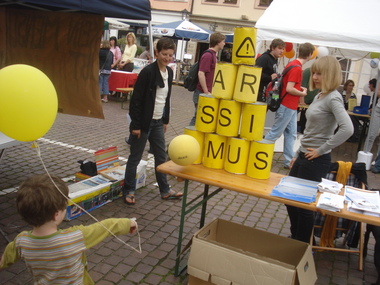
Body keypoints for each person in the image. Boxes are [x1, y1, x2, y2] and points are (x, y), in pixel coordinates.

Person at [0, 174, 137, 284]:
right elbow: (104, 227)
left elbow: (4, 260)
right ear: (56, 214)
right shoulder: (74, 236)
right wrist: (128, 223)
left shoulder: (21, 241)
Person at [286, 56, 353, 243]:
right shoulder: (319, 95)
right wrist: (298, 153)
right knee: (289, 199)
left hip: (315, 159)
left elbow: (348, 128)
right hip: (305, 155)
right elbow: (311, 130)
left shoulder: (333, 98)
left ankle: (302, 244)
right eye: (314, 72)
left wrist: (322, 149)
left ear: (330, 74)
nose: (315, 76)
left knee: (303, 206)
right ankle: (299, 238)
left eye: (320, 73)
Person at [122, 37, 183, 205]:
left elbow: (166, 98)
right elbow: (136, 100)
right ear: (157, 53)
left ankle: (164, 190)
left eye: (170, 55)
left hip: (157, 122)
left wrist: (165, 120)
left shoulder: (169, 72)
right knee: (135, 158)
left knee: (161, 157)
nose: (168, 58)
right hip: (143, 123)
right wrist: (135, 126)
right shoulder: (148, 72)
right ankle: (128, 190)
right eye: (164, 54)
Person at [264, 42, 315, 168]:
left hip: (290, 106)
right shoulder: (297, 68)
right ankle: (259, 153)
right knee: (275, 133)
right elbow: (289, 88)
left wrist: (299, 88)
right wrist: (302, 92)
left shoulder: (293, 65)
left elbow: (289, 85)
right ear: (309, 55)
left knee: (291, 134)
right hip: (287, 105)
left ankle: (288, 161)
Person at [189, 32, 226, 126]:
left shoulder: (214, 55)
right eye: (223, 41)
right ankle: (188, 136)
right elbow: (201, 73)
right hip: (202, 92)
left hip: (207, 92)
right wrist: (206, 91)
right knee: (198, 116)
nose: (224, 44)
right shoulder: (208, 55)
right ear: (217, 42)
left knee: (201, 117)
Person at [297, 67, 320, 133]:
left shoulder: (323, 73)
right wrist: (302, 101)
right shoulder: (307, 72)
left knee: (307, 119)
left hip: (311, 101)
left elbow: (319, 89)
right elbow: (302, 87)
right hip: (301, 100)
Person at [365, 79, 380, 153]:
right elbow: (378, 94)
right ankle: (365, 153)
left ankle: (378, 160)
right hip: (378, 110)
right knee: (371, 135)